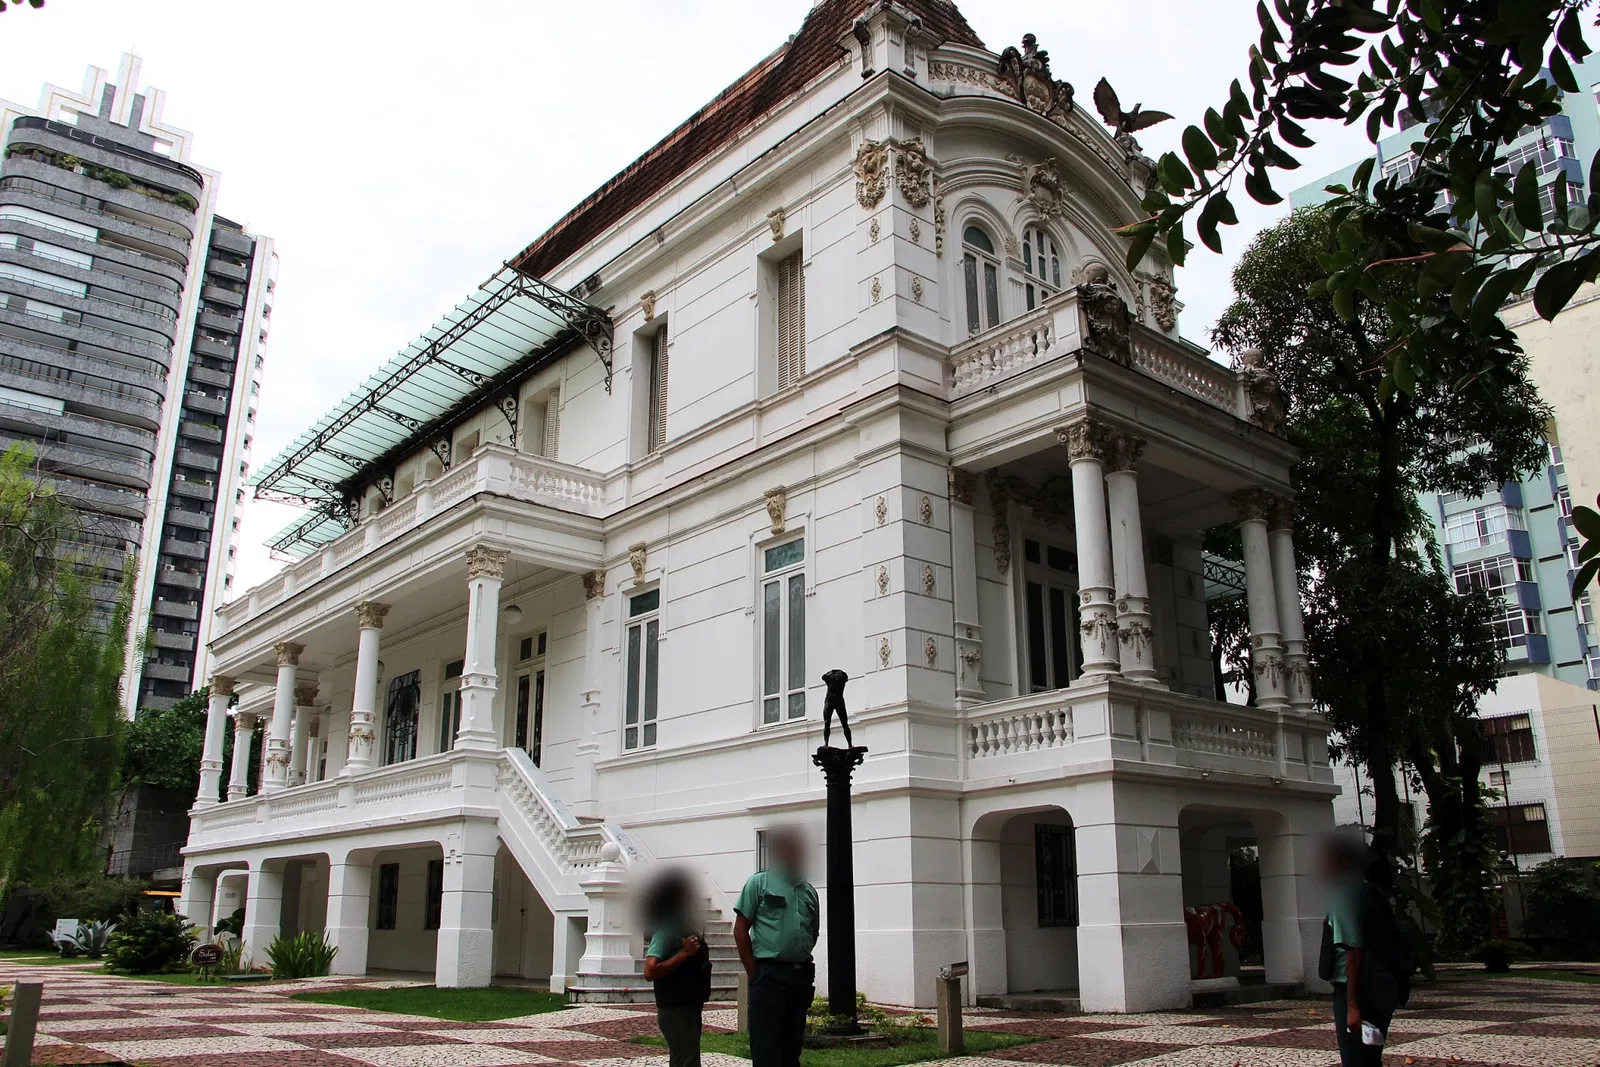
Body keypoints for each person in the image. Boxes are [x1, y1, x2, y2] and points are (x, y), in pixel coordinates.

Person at [1317, 833, 1411, 1067]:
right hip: (1381, 988)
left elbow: (1353, 950)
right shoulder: (1368, 890)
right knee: (1370, 1058)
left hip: (1357, 990)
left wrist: (1352, 1006)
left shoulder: (1342, 897)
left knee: (1355, 1060)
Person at [735, 828, 818, 1067]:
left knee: (792, 1048)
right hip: (768, 976)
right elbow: (740, 930)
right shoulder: (759, 883)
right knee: (766, 1049)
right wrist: (754, 973)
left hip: (800, 977)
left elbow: (813, 932)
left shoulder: (808, 891)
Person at [643, 869, 711, 1067]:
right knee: (687, 1061)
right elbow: (649, 971)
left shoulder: (684, 927)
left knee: (685, 1060)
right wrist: (684, 954)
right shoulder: (666, 930)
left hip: (690, 1006)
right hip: (675, 1009)